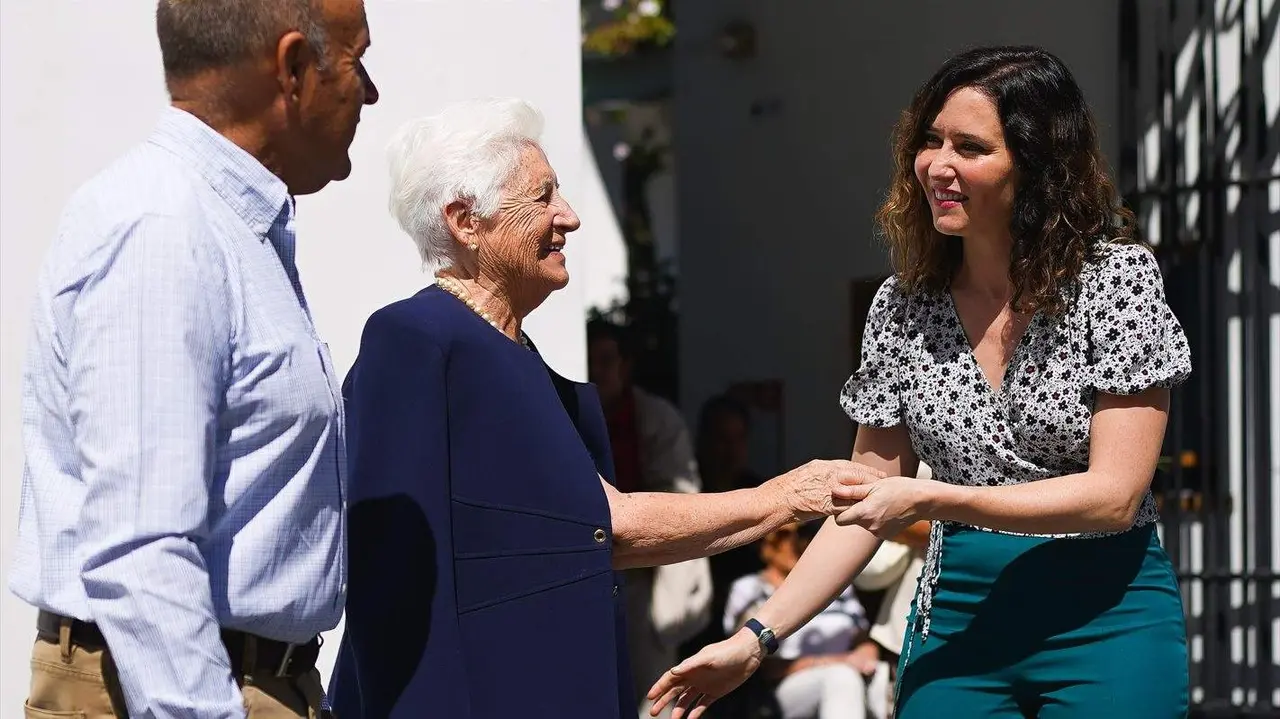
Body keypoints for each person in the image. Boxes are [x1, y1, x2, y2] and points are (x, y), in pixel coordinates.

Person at [649, 45, 1191, 719]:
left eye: (970, 146)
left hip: (1108, 617)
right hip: (960, 614)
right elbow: (865, 503)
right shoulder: (902, 307)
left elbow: (1114, 495)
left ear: (1037, 165)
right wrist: (756, 637)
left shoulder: (1116, 282)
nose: (938, 165)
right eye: (929, 141)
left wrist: (930, 498)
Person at [327, 98, 882, 719]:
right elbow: (391, 570)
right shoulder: (415, 339)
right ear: (465, 221)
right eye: (542, 198)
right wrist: (782, 496)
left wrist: (787, 496)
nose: (568, 217)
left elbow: (602, 528)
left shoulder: (516, 358)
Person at [9, 1, 379, 716]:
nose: (369, 92)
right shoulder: (163, 230)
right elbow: (140, 549)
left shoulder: (223, 224)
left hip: (239, 681)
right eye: (358, 61)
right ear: (294, 68)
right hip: (176, 691)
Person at [588, 320, 715, 719]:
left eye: (606, 360)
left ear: (625, 365)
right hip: (585, 571)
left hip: (643, 573)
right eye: (591, 360)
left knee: (653, 700)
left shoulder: (655, 419)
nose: (598, 370)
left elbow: (679, 500)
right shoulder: (569, 411)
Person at [723, 522, 888, 719]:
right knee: (840, 678)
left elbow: (862, 637)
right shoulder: (749, 589)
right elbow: (756, 661)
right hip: (783, 687)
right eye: (784, 536)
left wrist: (866, 654)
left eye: (803, 534)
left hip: (850, 676)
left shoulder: (836, 584)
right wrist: (836, 662)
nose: (795, 543)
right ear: (765, 543)